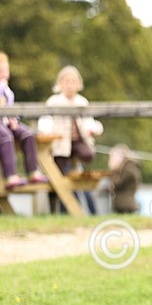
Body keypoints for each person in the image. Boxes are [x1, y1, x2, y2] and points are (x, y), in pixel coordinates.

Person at [0, 51, 44, 189]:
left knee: (28, 134)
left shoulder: (6, 89)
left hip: (6, 121)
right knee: (6, 136)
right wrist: (0, 86)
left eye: (5, 70)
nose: (4, 74)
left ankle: (33, 171)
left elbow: (9, 105)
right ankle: (10, 175)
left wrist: (14, 119)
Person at [40, 65, 102, 213]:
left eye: (73, 82)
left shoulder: (82, 102)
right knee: (60, 176)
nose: (70, 86)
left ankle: (80, 210)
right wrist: (49, 132)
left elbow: (89, 122)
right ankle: (61, 210)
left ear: (78, 84)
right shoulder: (54, 101)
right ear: (60, 84)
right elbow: (45, 121)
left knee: (86, 156)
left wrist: (92, 129)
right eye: (66, 82)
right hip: (60, 144)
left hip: (78, 141)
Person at [107, 144, 141, 214]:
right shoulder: (127, 168)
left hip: (126, 205)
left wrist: (113, 170)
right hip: (123, 204)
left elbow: (118, 184)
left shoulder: (129, 169)